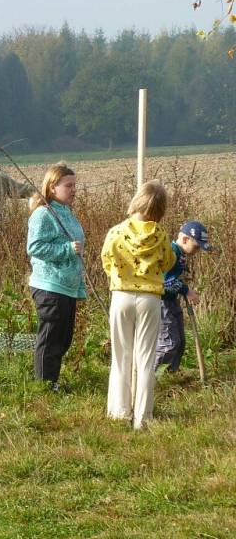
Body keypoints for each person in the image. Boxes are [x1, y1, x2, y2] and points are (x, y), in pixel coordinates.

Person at [101, 180, 176, 430]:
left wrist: (119, 275)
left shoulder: (116, 232)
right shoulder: (161, 236)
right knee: (145, 359)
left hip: (122, 295)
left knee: (121, 356)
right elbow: (168, 262)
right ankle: (143, 417)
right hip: (150, 299)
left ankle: (119, 411)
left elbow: (106, 260)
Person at [26, 163, 86, 392]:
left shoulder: (66, 213)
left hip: (67, 286)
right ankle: (44, 386)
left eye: (75, 185)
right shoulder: (43, 213)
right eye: (68, 185)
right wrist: (67, 249)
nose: (73, 190)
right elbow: (35, 247)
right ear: (52, 187)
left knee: (64, 338)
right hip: (50, 285)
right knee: (50, 338)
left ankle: (52, 381)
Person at [155, 221, 212, 372]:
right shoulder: (171, 252)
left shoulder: (181, 253)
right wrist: (186, 290)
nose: (198, 250)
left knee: (180, 342)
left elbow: (174, 276)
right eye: (197, 246)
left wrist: (184, 276)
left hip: (172, 301)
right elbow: (165, 282)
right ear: (185, 239)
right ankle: (151, 375)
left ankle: (170, 374)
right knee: (169, 343)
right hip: (162, 303)